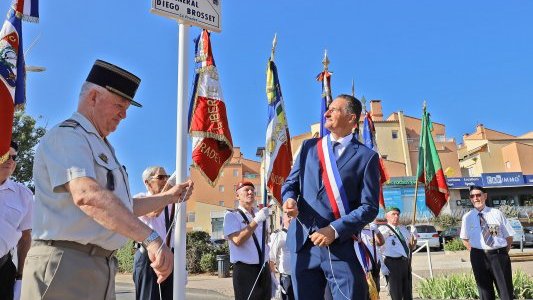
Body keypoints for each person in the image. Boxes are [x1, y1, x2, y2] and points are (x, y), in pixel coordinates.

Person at [22, 60, 194, 299]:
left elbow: (121, 208)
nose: (124, 115)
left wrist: (168, 197)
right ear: (93, 97)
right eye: (119, 105)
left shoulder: (100, 146)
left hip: (100, 266)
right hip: (65, 263)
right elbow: (87, 196)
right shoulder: (67, 136)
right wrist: (151, 238)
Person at [282, 94, 380, 300]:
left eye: (334, 109)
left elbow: (369, 207)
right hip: (304, 244)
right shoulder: (309, 147)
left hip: (341, 246)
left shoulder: (366, 157)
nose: (326, 113)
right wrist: (288, 199)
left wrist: (334, 230)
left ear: (352, 118)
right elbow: (290, 183)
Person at [460, 185, 515, 300]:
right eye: (472, 196)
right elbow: (464, 239)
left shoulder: (496, 213)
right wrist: (477, 251)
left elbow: (509, 236)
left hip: (498, 256)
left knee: (505, 291)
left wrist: (501, 252)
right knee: (484, 293)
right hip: (478, 257)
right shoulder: (467, 217)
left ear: (485, 196)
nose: (475, 198)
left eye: (478, 195)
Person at [133, 166, 176, 300]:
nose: (165, 180)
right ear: (147, 182)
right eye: (161, 177)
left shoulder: (171, 203)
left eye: (167, 177)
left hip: (169, 255)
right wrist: (169, 189)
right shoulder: (140, 198)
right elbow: (154, 212)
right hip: (147, 258)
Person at [223, 180, 271, 300]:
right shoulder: (232, 216)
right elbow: (237, 240)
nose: (251, 192)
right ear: (237, 195)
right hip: (245, 271)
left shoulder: (259, 214)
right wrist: (256, 221)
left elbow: (264, 242)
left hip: (263, 268)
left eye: (252, 190)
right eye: (246, 190)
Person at [0, 141, 32, 300]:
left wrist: (20, 276)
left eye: (14, 157)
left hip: (3, 271)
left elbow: (25, 237)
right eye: (6, 156)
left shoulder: (23, 195)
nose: (11, 160)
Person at [379, 207, 417, 300]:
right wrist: (382, 266)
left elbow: (411, 246)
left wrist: (414, 235)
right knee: (396, 293)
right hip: (392, 263)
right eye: (393, 214)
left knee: (407, 292)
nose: (396, 216)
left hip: (405, 262)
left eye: (397, 214)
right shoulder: (383, 229)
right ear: (387, 216)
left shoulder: (403, 229)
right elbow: (377, 247)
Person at [269, 213, 294, 300]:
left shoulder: (301, 234)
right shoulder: (277, 235)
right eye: (289, 217)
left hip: (300, 274)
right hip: (287, 277)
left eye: (293, 216)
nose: (291, 219)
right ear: (283, 218)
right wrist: (274, 280)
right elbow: (270, 260)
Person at [360, 221, 386, 294]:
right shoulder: (353, 232)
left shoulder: (370, 231)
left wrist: (377, 231)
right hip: (361, 271)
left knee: (375, 294)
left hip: (374, 270)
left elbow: (381, 242)